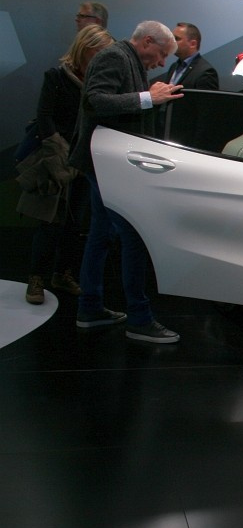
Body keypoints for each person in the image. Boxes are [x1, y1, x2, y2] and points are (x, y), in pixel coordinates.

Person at [68, 21, 184, 343]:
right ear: (147, 41)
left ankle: (90, 308)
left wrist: (151, 99)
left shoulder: (128, 60)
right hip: (106, 164)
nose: (162, 62)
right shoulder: (115, 57)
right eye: (161, 54)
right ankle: (139, 318)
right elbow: (95, 101)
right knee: (131, 237)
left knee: (101, 236)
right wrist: (148, 98)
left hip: (108, 163)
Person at [16, 24, 115, 304]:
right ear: (85, 48)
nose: (102, 58)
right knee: (51, 220)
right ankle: (36, 278)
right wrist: (58, 151)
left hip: (85, 158)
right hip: (57, 157)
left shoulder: (100, 81)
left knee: (76, 222)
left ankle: (63, 273)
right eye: (99, 52)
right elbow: (44, 116)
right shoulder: (57, 76)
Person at [154, 22, 219, 90]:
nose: (172, 42)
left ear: (193, 44)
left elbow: (207, 97)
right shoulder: (174, 66)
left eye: (176, 39)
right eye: (172, 38)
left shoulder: (206, 72)